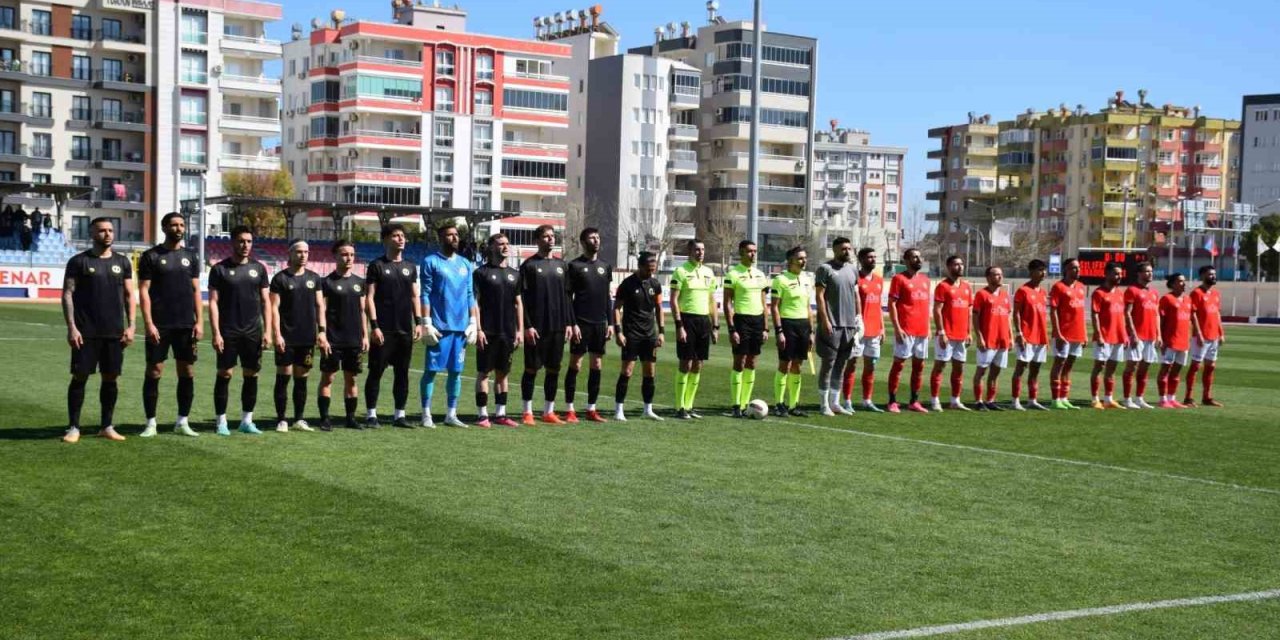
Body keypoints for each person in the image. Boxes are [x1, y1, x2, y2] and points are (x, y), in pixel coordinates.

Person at [61, 217, 135, 443]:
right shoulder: (78, 262)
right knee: (80, 376)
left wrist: (131, 325)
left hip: (114, 332)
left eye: (110, 230)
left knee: (111, 378)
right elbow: (67, 294)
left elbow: (130, 295)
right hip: (86, 332)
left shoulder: (123, 262)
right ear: (93, 234)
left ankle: (106, 426)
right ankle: (73, 427)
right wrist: (72, 327)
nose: (107, 234)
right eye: (102, 231)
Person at [137, 212, 202, 438]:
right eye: (174, 225)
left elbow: (196, 290)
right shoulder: (150, 256)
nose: (179, 228)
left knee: (187, 370)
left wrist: (200, 321)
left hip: (186, 324)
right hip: (160, 324)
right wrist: (149, 323)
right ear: (164, 228)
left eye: (182, 225)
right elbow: (143, 291)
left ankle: (182, 421)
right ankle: (150, 423)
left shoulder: (191, 257)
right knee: (154, 371)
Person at [208, 225, 271, 435]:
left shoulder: (259, 269)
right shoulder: (219, 269)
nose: (245, 245)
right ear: (233, 242)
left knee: (251, 374)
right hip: (228, 331)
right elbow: (214, 303)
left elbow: (265, 302)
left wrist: (268, 330)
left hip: (253, 331)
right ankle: (221, 422)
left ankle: (246, 420)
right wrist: (216, 332)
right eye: (241, 241)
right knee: (225, 374)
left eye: (249, 241)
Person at [419, 222, 478, 428]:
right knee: (431, 371)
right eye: (450, 235)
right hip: (439, 327)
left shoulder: (465, 264)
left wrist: (473, 321)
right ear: (441, 238)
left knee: (456, 372)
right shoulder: (430, 261)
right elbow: (425, 293)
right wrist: (426, 321)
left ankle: (451, 414)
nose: (455, 238)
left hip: (461, 328)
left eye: (456, 235)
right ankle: (426, 414)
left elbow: (471, 295)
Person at [364, 224, 423, 428]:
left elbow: (415, 296)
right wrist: (375, 326)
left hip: (404, 330)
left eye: (403, 236)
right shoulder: (376, 266)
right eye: (396, 236)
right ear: (386, 240)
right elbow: (369, 298)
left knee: (402, 373)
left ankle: (400, 415)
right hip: (384, 330)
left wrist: (419, 323)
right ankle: (371, 415)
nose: (401, 239)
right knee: (376, 372)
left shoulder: (411, 266)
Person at [519, 224, 576, 425]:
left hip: (558, 327)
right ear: (537, 240)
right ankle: (527, 412)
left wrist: (570, 322)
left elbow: (568, 296)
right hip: (537, 327)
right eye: (546, 236)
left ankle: (548, 411)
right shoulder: (528, 266)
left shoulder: (563, 266)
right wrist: (527, 325)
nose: (550, 239)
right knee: (531, 369)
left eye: (552, 236)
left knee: (554, 369)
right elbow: (521, 299)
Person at [269, 240, 327, 432]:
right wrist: (277, 334)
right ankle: (281, 419)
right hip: (286, 337)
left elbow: (320, 306)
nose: (303, 255)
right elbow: (273, 308)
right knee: (283, 377)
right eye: (299, 252)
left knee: (302, 378)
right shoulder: (280, 279)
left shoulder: (315, 278)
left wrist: (322, 332)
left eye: (306, 252)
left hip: (307, 337)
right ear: (291, 253)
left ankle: (299, 419)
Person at [473, 233, 523, 428]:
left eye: (507, 244)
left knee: (503, 373)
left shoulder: (515, 274)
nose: (505, 246)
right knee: (484, 373)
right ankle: (482, 414)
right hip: (488, 331)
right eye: (500, 243)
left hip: (508, 331)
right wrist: (478, 329)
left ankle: (501, 414)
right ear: (491, 247)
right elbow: (475, 303)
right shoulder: (481, 273)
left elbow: (518, 303)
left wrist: (519, 331)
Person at [318, 240, 368, 431]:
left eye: (352, 255)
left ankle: (351, 418)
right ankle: (324, 418)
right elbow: (321, 310)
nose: (349, 258)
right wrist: (322, 334)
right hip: (333, 339)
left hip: (353, 339)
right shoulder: (327, 282)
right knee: (328, 378)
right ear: (336, 256)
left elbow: (362, 311)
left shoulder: (358, 283)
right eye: (344, 254)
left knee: (352, 379)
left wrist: (365, 335)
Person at [565, 228, 613, 423]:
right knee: (576, 363)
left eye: (598, 237)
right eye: (592, 238)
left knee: (597, 363)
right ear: (583, 242)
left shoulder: (605, 266)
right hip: (581, 322)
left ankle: (591, 408)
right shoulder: (574, 266)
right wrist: (572, 322)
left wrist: (610, 323)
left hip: (600, 323)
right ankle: (569, 408)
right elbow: (568, 297)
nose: (596, 240)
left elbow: (608, 296)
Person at [669, 239, 719, 419]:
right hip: (687, 320)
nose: (701, 253)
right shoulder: (680, 271)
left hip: (703, 321)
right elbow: (674, 300)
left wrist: (715, 325)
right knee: (686, 363)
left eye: (703, 249)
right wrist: (679, 326)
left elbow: (712, 300)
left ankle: (689, 406)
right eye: (697, 249)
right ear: (690, 251)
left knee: (698, 365)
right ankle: (679, 407)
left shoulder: (708, 272)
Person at [612, 251, 665, 421]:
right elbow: (616, 308)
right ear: (640, 266)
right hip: (631, 334)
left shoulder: (655, 284)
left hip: (649, 334)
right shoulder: (627, 284)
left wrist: (661, 332)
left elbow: (658, 309)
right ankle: (619, 410)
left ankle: (647, 409)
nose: (651, 272)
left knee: (649, 372)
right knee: (627, 371)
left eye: (653, 269)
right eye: (648, 269)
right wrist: (618, 331)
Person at [814, 237, 863, 416]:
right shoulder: (825, 269)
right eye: (843, 249)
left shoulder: (852, 270)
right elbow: (819, 297)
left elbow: (856, 295)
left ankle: (835, 403)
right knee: (828, 364)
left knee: (842, 364)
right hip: (832, 324)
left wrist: (859, 317)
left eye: (849, 248)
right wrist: (825, 320)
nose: (847, 251)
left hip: (849, 326)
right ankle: (823, 404)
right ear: (834, 250)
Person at [723, 240, 769, 418]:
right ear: (741, 252)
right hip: (741, 321)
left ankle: (745, 405)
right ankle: (736, 405)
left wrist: (766, 327)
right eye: (750, 251)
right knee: (739, 362)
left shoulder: (760, 275)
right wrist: (731, 329)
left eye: (755, 251)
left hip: (758, 322)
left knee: (752, 362)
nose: (753, 254)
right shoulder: (732, 274)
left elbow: (765, 303)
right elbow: (727, 304)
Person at [770, 246, 814, 417]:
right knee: (785, 364)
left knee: (797, 365)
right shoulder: (780, 280)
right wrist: (779, 331)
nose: (803, 261)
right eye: (800, 258)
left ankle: (793, 405)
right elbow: (774, 307)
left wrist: (811, 331)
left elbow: (808, 307)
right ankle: (779, 404)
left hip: (803, 325)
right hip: (788, 324)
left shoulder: (806, 279)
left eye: (804, 258)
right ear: (790, 261)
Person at [841, 247, 886, 413]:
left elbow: (879, 306)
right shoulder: (855, 279)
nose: (873, 259)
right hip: (858, 331)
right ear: (860, 260)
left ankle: (867, 400)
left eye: (874, 257)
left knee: (871, 366)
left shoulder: (879, 280)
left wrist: (882, 328)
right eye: (869, 257)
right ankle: (847, 401)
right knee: (851, 365)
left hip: (874, 331)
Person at [886, 248, 931, 413]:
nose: (918, 259)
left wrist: (928, 327)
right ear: (906, 260)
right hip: (906, 330)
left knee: (919, 366)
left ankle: (914, 401)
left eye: (920, 256)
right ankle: (892, 401)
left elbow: (926, 306)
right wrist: (897, 328)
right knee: (899, 365)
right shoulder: (899, 279)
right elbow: (892, 305)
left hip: (922, 331)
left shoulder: (926, 280)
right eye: (914, 257)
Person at [930, 256, 973, 412]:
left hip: (961, 336)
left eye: (961, 264)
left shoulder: (967, 287)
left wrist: (969, 332)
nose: (960, 267)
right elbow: (937, 310)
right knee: (940, 366)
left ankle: (955, 400)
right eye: (956, 264)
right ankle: (935, 400)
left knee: (959, 368)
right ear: (948, 267)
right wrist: (942, 332)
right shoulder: (943, 286)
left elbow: (969, 312)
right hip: (947, 335)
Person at [1010, 259, 1050, 411]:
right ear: (1031, 272)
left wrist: (1045, 337)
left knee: (1036, 370)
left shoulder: (1043, 292)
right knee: (1020, 368)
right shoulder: (1023, 291)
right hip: (1027, 336)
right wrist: (1019, 333)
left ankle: (1032, 399)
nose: (1043, 273)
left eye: (1044, 270)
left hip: (1040, 337)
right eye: (1040, 270)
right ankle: (1015, 400)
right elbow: (1017, 314)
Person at [1184, 265, 1226, 407]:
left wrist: (1221, 333)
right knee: (1195, 366)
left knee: (1210, 367)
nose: (1213, 276)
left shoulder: (1215, 294)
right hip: (1200, 336)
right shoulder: (1196, 293)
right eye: (1210, 274)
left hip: (1214, 336)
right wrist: (1199, 333)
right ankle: (1188, 398)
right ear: (1202, 276)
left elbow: (1217, 314)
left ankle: (1206, 397)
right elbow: (1192, 314)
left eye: (1214, 274)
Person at [971, 266, 1012, 411]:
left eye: (1001, 274)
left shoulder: (1005, 295)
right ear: (988, 277)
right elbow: (975, 317)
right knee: (981, 371)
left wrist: (1010, 337)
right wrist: (979, 336)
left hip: (1002, 340)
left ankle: (990, 400)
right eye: (996, 274)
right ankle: (978, 401)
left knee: (995, 372)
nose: (1000, 277)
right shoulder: (981, 295)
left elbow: (1007, 317)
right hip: (988, 339)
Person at [1088, 262, 1128, 410]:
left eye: (1120, 273)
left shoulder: (1119, 293)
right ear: (1107, 274)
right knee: (1099, 367)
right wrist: (1098, 334)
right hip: (1104, 336)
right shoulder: (1099, 293)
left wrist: (1124, 335)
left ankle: (1108, 399)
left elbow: (1121, 316)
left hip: (1118, 337)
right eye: (1116, 273)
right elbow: (1095, 314)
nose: (1119, 276)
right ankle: (1095, 399)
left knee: (1112, 369)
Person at [1121, 261, 1160, 409]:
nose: (1150, 274)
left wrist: (1159, 335)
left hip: (1150, 336)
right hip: (1137, 336)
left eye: (1151, 271)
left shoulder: (1154, 293)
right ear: (1139, 274)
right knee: (1131, 367)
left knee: (1145, 368)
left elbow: (1156, 315)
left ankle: (1139, 398)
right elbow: (1127, 313)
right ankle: (1126, 398)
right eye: (1146, 271)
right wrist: (1133, 334)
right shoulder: (1132, 290)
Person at [1048, 258, 1086, 410]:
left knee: (1069, 365)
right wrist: (1057, 333)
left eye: (1078, 267)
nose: (1077, 270)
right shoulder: (1058, 287)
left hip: (1077, 333)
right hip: (1064, 333)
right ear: (1066, 270)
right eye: (1073, 268)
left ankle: (1064, 397)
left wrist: (1084, 334)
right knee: (1059, 364)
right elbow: (1053, 311)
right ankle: (1055, 399)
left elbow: (1081, 313)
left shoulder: (1081, 287)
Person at [1157, 272, 1193, 408]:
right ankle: (1162, 399)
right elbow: (1160, 319)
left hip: (1183, 342)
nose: (1183, 283)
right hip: (1170, 341)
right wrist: (1161, 338)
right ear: (1172, 284)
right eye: (1180, 281)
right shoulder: (1166, 299)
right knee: (1165, 370)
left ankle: (1172, 398)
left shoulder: (1188, 300)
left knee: (1177, 371)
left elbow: (1189, 322)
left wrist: (1189, 338)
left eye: (1184, 281)